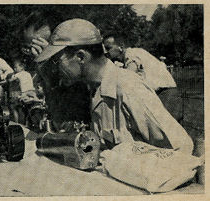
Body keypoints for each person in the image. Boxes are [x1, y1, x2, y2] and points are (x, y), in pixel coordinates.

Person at [34, 18, 193, 154]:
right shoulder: (92, 89)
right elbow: (60, 127)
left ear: (80, 57)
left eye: (57, 61)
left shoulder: (127, 87)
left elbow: (181, 147)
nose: (55, 69)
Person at [22, 11, 91, 130]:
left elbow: (65, 120)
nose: (34, 53)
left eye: (38, 46)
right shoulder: (46, 69)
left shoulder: (81, 73)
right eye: (28, 48)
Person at [103, 36, 182, 122]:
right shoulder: (130, 56)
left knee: (168, 130)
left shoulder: (131, 54)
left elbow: (128, 78)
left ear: (121, 47)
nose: (106, 52)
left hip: (166, 94)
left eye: (108, 48)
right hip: (162, 94)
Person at [8, 59, 36, 123]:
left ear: (21, 67)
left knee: (15, 107)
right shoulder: (28, 73)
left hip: (24, 93)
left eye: (15, 67)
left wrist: (5, 80)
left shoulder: (18, 74)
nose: (14, 69)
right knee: (28, 108)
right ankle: (28, 122)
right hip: (32, 92)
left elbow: (10, 80)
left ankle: (17, 123)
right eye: (14, 68)